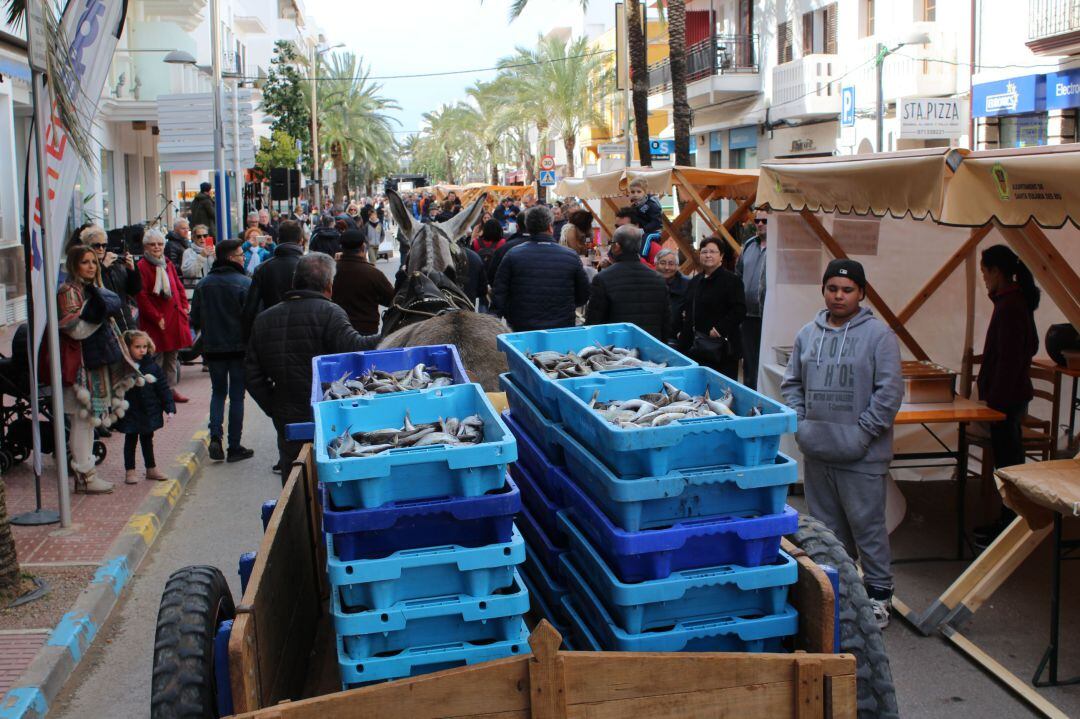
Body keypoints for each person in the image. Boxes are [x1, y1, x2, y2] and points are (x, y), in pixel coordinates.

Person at [781, 259, 904, 629]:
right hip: (818, 451)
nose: (839, 295)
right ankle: (842, 594)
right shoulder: (807, 334)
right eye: (832, 288)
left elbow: (889, 392)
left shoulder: (879, 336)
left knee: (867, 528)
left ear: (861, 293)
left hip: (863, 456)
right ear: (824, 291)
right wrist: (802, 427)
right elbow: (791, 385)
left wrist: (863, 433)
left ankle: (880, 596)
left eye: (847, 289)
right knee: (826, 530)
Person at [246, 253, 380, 476]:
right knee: (333, 476)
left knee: (295, 479)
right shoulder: (330, 313)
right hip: (328, 412)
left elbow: (251, 374)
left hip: (287, 415)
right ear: (329, 284)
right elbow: (355, 347)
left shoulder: (265, 319)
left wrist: (274, 407)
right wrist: (391, 332)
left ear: (295, 281)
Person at [973, 244, 1041, 545]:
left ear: (997, 272)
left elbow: (1010, 359)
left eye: (985, 272)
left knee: (1009, 465)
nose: (984, 279)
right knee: (1007, 462)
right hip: (1009, 397)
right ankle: (1007, 522)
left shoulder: (1011, 306)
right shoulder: (1012, 302)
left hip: (1007, 400)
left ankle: (1010, 526)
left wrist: (995, 403)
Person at [57, 245, 130, 494]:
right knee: (82, 421)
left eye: (93, 262)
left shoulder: (91, 288)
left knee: (88, 422)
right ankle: (84, 475)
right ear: (74, 265)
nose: (90, 266)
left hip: (94, 364)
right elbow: (73, 328)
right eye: (85, 262)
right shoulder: (68, 291)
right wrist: (97, 316)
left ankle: (87, 474)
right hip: (80, 367)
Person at [191, 239, 255, 464]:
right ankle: (234, 446)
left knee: (218, 392)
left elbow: (195, 318)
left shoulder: (204, 284)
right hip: (239, 350)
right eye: (239, 254)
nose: (243, 257)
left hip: (213, 349)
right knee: (237, 396)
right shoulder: (245, 283)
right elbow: (252, 318)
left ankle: (215, 436)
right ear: (230, 258)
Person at [491, 205, 590, 332]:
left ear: (528, 227)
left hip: (523, 327)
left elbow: (499, 294)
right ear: (550, 227)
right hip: (561, 326)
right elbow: (583, 294)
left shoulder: (513, 255)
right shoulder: (571, 256)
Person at [585, 225, 671, 341]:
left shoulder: (603, 279)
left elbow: (594, 322)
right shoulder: (658, 279)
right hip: (651, 347)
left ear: (616, 246)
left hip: (617, 349)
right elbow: (665, 321)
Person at [136, 229, 191, 402]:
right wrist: (156, 316)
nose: (157, 247)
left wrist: (184, 305)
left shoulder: (166, 263)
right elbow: (142, 296)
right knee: (156, 357)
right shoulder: (142, 266)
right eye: (152, 244)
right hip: (156, 321)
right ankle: (155, 391)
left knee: (172, 356)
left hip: (174, 317)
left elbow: (178, 286)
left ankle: (171, 390)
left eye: (160, 244)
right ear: (145, 246)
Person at [679, 236, 745, 378]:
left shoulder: (732, 281)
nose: (708, 255)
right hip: (696, 347)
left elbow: (739, 310)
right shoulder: (695, 281)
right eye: (704, 252)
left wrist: (719, 329)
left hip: (721, 349)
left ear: (721, 256)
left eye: (713, 252)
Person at [115, 330, 175, 484]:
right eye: (137, 347)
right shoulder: (124, 367)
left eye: (144, 347)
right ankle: (130, 470)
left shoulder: (152, 367)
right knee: (130, 439)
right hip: (131, 411)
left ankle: (151, 468)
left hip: (149, 410)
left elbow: (163, 388)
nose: (142, 350)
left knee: (148, 439)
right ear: (127, 348)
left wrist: (169, 407)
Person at [242, 220, 305, 340]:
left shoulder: (263, 268)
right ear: (300, 240)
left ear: (278, 240)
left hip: (271, 330)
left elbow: (250, 308)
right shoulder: (309, 266)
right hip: (302, 330)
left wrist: (247, 338)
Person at [332, 229, 395, 334]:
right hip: (365, 331)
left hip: (336, 328)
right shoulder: (373, 273)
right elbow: (392, 300)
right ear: (363, 247)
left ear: (342, 248)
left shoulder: (331, 271)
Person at [81, 225, 141, 331]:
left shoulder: (116, 264)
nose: (101, 249)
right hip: (107, 325)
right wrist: (103, 267)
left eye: (104, 245)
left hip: (127, 319)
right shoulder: (84, 267)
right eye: (96, 245)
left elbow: (134, 290)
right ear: (87, 246)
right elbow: (92, 289)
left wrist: (132, 270)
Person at [736, 210, 768, 390]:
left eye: (765, 220)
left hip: (768, 316)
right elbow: (739, 272)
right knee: (748, 363)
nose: (760, 224)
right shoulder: (749, 245)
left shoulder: (779, 248)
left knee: (763, 365)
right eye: (757, 220)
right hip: (747, 315)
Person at [655, 248, 690, 344]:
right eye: (662, 263)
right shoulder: (649, 283)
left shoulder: (687, 284)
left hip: (677, 338)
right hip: (655, 336)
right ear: (656, 265)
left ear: (677, 266)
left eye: (671, 264)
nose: (667, 267)